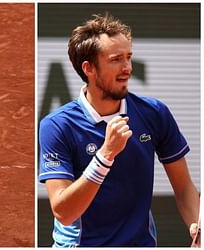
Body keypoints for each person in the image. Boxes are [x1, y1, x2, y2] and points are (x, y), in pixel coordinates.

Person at [38, 13, 200, 247]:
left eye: (129, 57)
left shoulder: (154, 113)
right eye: (116, 60)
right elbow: (64, 212)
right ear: (89, 68)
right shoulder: (56, 125)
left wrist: (198, 227)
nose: (127, 68)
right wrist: (105, 156)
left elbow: (184, 187)